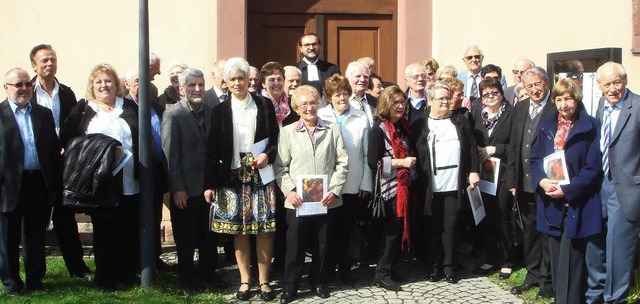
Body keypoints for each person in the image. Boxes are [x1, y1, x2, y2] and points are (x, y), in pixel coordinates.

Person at [203, 57, 279, 302]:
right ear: (226, 82)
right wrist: (209, 183)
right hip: (232, 176)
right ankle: (246, 280)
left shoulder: (265, 105)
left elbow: (276, 140)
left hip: (260, 174)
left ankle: (265, 280)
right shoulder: (219, 111)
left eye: (241, 78)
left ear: (250, 80)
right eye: (232, 79)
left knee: (264, 228)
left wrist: (268, 155)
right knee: (240, 230)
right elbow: (212, 150)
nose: (237, 83)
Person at [61, 63, 140, 291]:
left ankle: (127, 273)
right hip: (99, 182)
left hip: (128, 179)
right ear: (92, 87)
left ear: (117, 85)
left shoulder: (130, 107)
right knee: (104, 231)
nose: (104, 86)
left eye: (108, 81)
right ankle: (105, 277)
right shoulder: (84, 109)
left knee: (127, 228)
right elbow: (69, 140)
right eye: (99, 82)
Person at [530, 78, 603, 304]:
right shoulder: (547, 126)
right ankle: (560, 298)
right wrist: (542, 181)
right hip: (552, 202)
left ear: (576, 99)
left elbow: (593, 167)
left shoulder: (591, 126)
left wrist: (569, 189)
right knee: (556, 256)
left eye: (568, 99)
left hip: (577, 201)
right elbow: (534, 159)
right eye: (559, 99)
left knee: (573, 258)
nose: (564, 105)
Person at [274, 85, 348, 303]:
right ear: (296, 108)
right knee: (295, 246)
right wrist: (289, 191)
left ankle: (319, 281)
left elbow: (342, 163)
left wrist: (334, 190)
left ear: (319, 104)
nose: (309, 107)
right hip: (298, 200)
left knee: (323, 244)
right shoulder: (287, 132)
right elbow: (280, 167)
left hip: (326, 199)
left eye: (313, 102)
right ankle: (291, 287)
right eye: (303, 104)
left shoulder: (332, 129)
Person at [28, 44, 92, 280]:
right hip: (38, 164)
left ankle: (77, 268)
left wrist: (70, 145)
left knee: (66, 218)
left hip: (63, 162)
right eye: (44, 60)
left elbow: (75, 124)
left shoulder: (66, 92)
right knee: (35, 220)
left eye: (52, 60)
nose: (49, 64)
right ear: (34, 65)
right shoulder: (29, 92)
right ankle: (35, 272)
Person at [162, 68, 225, 291]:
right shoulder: (173, 115)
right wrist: (177, 188)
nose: (197, 89)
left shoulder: (211, 111)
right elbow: (170, 155)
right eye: (191, 85)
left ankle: (209, 273)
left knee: (208, 234)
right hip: (185, 188)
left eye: (200, 84)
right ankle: (188, 277)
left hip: (208, 187)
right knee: (186, 237)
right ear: (181, 89)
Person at [0, 68, 62, 296]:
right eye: (18, 85)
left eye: (27, 84)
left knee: (35, 235)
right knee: (7, 237)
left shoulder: (43, 114)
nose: (24, 89)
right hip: (8, 186)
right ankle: (12, 283)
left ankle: (36, 280)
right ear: (6, 87)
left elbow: (53, 152)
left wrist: (54, 184)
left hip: (38, 183)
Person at [413, 82, 480, 284]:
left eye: (447, 97)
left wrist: (474, 171)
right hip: (430, 185)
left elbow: (472, 147)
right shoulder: (420, 124)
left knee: (450, 225)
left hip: (454, 183)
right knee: (433, 227)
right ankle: (434, 267)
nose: (445, 101)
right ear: (430, 101)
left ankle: (450, 267)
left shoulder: (460, 121)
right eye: (440, 98)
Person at [586, 62, 640, 304]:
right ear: (599, 86)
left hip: (626, 189)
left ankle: (615, 299)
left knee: (618, 248)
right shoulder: (601, 105)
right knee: (596, 243)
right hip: (601, 185)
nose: (612, 89)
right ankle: (595, 295)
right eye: (607, 84)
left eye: (616, 82)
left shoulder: (637, 107)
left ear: (625, 80)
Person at [317, 74, 372, 285]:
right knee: (327, 229)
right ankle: (327, 269)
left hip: (352, 182)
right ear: (329, 97)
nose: (342, 98)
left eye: (346, 93)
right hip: (327, 184)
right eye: (337, 94)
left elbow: (366, 153)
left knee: (347, 229)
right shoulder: (321, 115)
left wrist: (365, 183)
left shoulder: (360, 117)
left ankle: (345, 269)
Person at [506, 66, 554, 298]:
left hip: (547, 182)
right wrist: (512, 179)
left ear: (546, 83)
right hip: (524, 182)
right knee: (530, 232)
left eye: (538, 84)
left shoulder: (556, 107)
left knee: (547, 233)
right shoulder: (521, 107)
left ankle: (548, 280)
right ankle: (532, 274)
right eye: (529, 86)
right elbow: (515, 144)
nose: (534, 89)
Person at [368, 85, 417, 291]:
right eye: (395, 102)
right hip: (388, 189)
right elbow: (373, 162)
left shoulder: (403, 126)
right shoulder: (378, 129)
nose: (400, 106)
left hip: (405, 187)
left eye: (402, 102)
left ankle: (391, 268)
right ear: (386, 104)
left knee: (398, 230)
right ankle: (382, 274)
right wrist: (401, 163)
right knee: (390, 231)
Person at [123, 67, 169, 271]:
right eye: (136, 81)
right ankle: (135, 262)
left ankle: (154, 257)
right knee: (134, 218)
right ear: (127, 84)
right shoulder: (123, 108)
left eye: (144, 81)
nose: (141, 85)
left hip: (156, 172)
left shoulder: (156, 107)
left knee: (154, 217)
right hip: (134, 172)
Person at [471, 78, 515, 279]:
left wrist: (495, 149)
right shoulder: (477, 115)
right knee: (486, 217)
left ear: (501, 93)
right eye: (486, 94)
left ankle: (508, 260)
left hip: (504, 173)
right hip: (484, 173)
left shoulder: (511, 114)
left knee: (503, 217)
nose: (490, 97)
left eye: (494, 93)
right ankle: (491, 257)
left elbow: (516, 144)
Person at [261, 62, 294, 128]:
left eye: (279, 79)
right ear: (263, 84)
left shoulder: (292, 105)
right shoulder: (259, 105)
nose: (276, 83)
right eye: (272, 80)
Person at [346, 61, 377, 126]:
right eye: (358, 76)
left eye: (366, 76)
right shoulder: (338, 100)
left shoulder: (375, 102)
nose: (362, 80)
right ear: (347, 78)